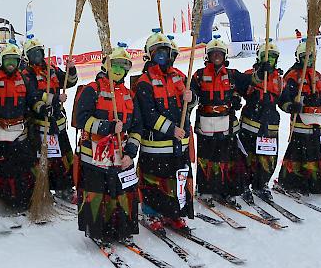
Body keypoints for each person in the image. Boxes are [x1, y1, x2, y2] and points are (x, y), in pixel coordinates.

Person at [74, 43, 142, 245]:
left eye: (123, 68)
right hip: (94, 155)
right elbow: (82, 119)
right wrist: (107, 127)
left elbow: (137, 128)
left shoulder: (130, 95)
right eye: (115, 66)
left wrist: (130, 152)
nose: (119, 71)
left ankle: (121, 228)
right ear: (106, 66)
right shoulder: (92, 90)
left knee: (121, 193)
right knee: (98, 192)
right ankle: (98, 229)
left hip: (120, 154)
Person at [190, 35, 270, 203]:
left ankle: (226, 190)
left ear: (225, 56)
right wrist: (190, 97)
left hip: (227, 124)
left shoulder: (233, 74)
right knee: (207, 158)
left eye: (220, 53)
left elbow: (251, 81)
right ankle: (206, 189)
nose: (217, 56)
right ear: (208, 56)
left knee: (227, 158)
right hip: (206, 123)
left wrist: (261, 72)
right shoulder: (198, 75)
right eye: (213, 53)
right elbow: (192, 98)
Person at [135, 29, 196, 232]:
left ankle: (174, 213)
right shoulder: (144, 82)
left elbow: (190, 102)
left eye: (165, 51)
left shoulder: (178, 76)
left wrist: (191, 97)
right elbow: (149, 115)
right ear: (150, 55)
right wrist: (171, 129)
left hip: (180, 145)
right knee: (155, 181)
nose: (162, 56)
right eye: (157, 52)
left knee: (178, 180)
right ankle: (151, 213)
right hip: (156, 145)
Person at [22, 34, 78, 202]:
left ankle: (65, 188)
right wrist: (53, 99)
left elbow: (68, 82)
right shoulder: (26, 74)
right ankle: (43, 188)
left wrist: (71, 69)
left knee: (63, 158)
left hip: (58, 122)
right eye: (33, 54)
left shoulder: (51, 68)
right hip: (40, 122)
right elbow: (32, 94)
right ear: (28, 57)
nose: (37, 57)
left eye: (39, 52)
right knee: (44, 159)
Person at [277, 42, 321, 195]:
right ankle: (291, 183)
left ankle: (315, 185)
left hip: (318, 123)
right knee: (297, 154)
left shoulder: (318, 76)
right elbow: (283, 100)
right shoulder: (292, 76)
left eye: (311, 57)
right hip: (300, 124)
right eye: (305, 57)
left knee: (315, 155)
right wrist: (291, 107)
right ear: (298, 58)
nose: (308, 61)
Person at [0, 40, 36, 212]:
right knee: (0, 168)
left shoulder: (24, 80)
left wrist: (42, 107)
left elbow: (33, 100)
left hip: (19, 131)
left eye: (14, 60)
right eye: (7, 60)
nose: (11, 64)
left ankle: (22, 201)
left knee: (21, 169)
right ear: (1, 60)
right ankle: (1, 202)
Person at [238, 42, 291, 200]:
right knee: (247, 155)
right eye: (266, 57)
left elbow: (283, 101)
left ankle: (261, 184)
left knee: (267, 157)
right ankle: (243, 185)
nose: (270, 61)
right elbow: (241, 89)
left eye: (273, 58)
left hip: (270, 125)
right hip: (250, 123)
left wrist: (291, 107)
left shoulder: (280, 80)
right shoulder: (250, 74)